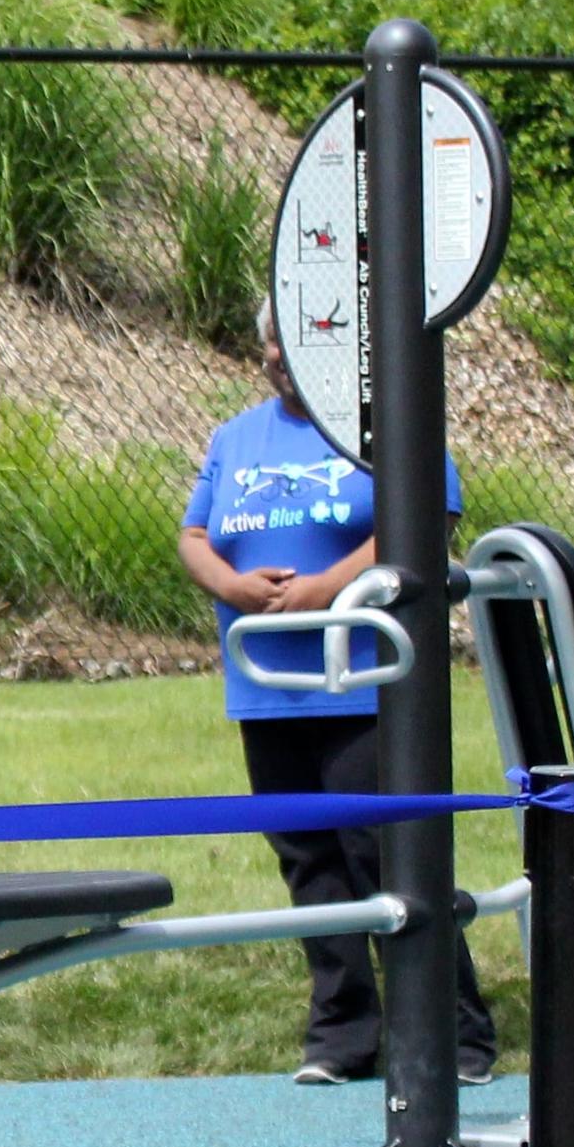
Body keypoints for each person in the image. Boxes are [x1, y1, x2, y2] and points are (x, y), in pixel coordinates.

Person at [179, 303, 495, 1088]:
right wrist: (231, 585)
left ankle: (454, 1033)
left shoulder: (387, 424)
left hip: (364, 682)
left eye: (302, 341)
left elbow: (428, 515)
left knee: (387, 852)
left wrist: (327, 587)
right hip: (268, 686)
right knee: (307, 859)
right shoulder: (236, 439)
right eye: (273, 342)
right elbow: (195, 536)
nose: (284, 357)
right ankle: (344, 1034)